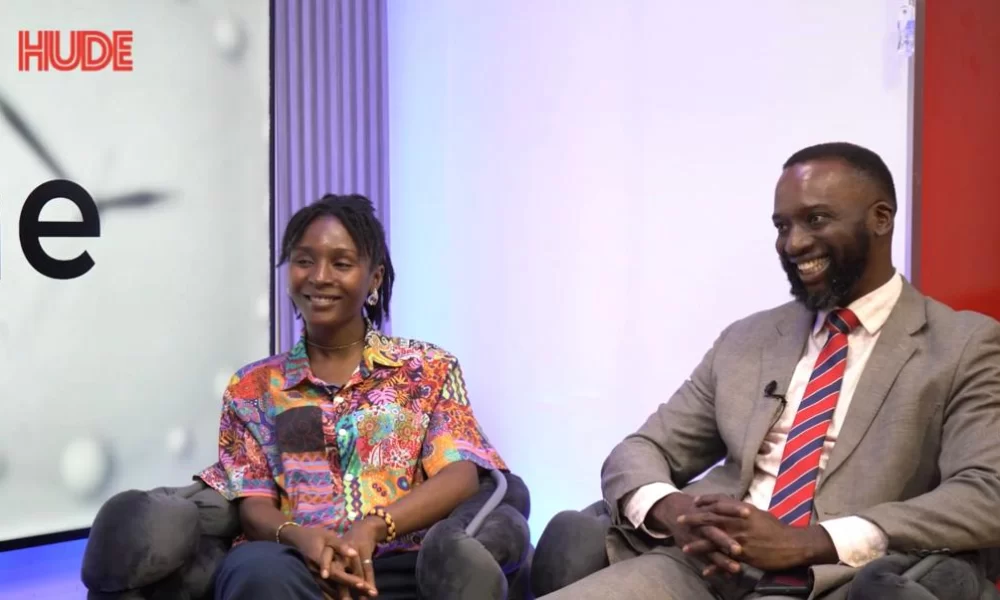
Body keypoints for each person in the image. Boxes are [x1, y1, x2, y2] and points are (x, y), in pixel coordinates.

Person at [536, 142, 1000, 600]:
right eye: (782, 226)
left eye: (815, 219)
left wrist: (813, 540)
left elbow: (986, 492)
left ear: (880, 219)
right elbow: (641, 448)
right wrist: (674, 511)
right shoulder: (747, 339)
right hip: (700, 567)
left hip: (841, 579)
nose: (793, 243)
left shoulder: (964, 345)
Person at [199, 194, 507, 600]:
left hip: (401, 565)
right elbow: (254, 505)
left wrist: (375, 526)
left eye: (341, 263)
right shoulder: (252, 387)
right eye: (304, 261)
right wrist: (301, 538)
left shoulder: (428, 369)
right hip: (294, 568)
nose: (319, 276)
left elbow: (460, 474)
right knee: (255, 569)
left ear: (374, 278)